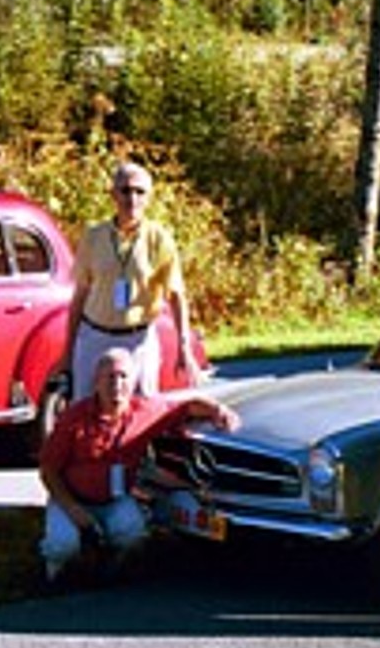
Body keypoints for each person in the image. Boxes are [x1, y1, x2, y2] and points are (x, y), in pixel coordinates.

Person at [38, 348, 239, 586]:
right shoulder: (73, 418)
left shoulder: (145, 412)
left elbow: (186, 407)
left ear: (133, 382)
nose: (117, 384)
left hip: (115, 499)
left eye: (123, 376)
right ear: (96, 382)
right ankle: (54, 579)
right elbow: (48, 470)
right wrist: (74, 510)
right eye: (109, 377)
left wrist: (218, 410)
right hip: (71, 499)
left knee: (133, 534)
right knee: (62, 545)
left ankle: (108, 574)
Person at [62, 161, 201, 396]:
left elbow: (176, 296)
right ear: (113, 194)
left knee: (142, 408)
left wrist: (184, 347)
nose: (132, 199)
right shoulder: (94, 237)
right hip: (94, 337)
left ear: (148, 198)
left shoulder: (159, 239)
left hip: (138, 340)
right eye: (125, 190)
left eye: (139, 192)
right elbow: (80, 295)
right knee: (84, 407)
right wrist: (68, 352)